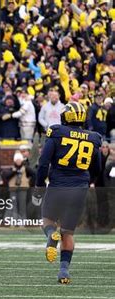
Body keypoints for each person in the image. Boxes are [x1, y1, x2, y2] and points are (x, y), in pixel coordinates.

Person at [33, 102, 102, 284]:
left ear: (66, 116)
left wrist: (39, 186)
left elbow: (43, 163)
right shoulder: (94, 137)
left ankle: (50, 235)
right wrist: (86, 180)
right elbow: (97, 168)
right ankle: (64, 271)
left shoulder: (57, 132)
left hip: (58, 185)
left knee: (47, 221)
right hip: (79, 189)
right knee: (68, 232)